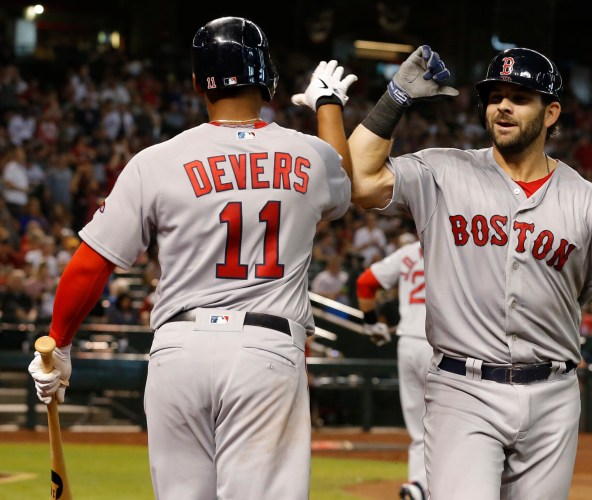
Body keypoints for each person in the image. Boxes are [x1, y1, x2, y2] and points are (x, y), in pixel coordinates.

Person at [346, 45, 592, 499]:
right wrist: (393, 100)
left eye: (520, 96)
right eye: (495, 96)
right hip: (461, 389)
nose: (503, 105)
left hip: (552, 394)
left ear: (551, 113)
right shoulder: (442, 170)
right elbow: (359, 181)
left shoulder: (589, 202)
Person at [27, 16, 357, 500]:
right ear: (268, 80)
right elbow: (345, 180)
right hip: (265, 351)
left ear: (198, 83)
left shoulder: (156, 159)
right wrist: (328, 104)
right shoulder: (308, 154)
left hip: (178, 352)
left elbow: (91, 263)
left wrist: (59, 346)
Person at [356, 231, 431, 500]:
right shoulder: (456, 245)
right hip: (442, 343)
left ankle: (418, 485)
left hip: (408, 343)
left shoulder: (407, 253)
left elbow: (365, 283)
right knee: (454, 421)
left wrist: (371, 324)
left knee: (418, 426)